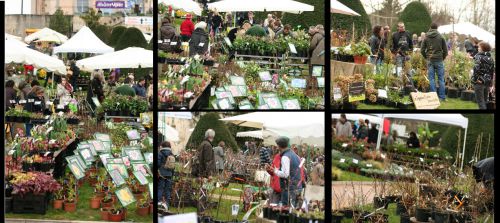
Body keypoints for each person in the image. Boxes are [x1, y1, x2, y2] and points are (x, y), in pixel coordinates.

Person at [270, 136, 301, 207]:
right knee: (293, 209)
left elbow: (285, 174)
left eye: (277, 145)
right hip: (296, 186)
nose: (276, 147)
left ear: (279, 146)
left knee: (286, 209)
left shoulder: (285, 157)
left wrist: (275, 170)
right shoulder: (293, 154)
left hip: (288, 188)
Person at [421, 22, 448, 101]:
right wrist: (442, 58)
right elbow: (445, 50)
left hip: (430, 60)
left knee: (431, 78)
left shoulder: (426, 37)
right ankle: (442, 97)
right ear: (437, 28)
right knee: (441, 79)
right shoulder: (441, 37)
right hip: (439, 60)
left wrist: (426, 57)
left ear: (430, 27)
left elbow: (422, 50)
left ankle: (433, 96)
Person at [471, 42, 495, 109]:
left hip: (479, 82)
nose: (478, 48)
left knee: (481, 103)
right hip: (487, 82)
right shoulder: (491, 59)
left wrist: (477, 79)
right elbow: (492, 72)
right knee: (485, 101)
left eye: (479, 47)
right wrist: (491, 83)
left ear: (483, 48)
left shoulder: (478, 57)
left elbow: (476, 69)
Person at [158, 141, 175, 210]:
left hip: (161, 174)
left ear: (162, 146)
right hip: (170, 175)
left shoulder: (160, 153)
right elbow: (173, 166)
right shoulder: (172, 154)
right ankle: (167, 205)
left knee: (160, 188)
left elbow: (158, 164)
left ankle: (158, 203)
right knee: (167, 190)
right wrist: (172, 174)